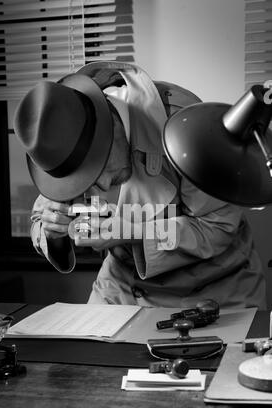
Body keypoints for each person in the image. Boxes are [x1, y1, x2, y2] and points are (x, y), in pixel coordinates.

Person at [13, 61, 266, 309]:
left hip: (215, 289)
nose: (101, 186)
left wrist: (133, 232)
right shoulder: (61, 132)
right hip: (122, 286)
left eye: (98, 168)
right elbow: (41, 216)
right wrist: (52, 231)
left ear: (113, 123)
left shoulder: (185, 125)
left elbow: (217, 226)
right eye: (83, 180)